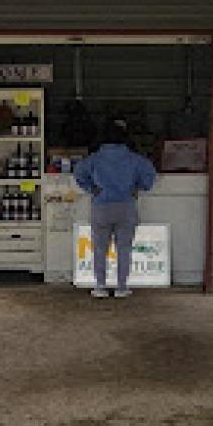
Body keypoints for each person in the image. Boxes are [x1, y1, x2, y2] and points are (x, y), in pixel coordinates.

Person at [75, 118, 157, 299]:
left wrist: (91, 188)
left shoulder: (95, 158)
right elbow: (150, 176)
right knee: (124, 248)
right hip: (126, 205)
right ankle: (121, 287)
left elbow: (79, 172)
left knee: (99, 249)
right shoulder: (135, 159)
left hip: (101, 206)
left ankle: (100, 286)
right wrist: (139, 187)